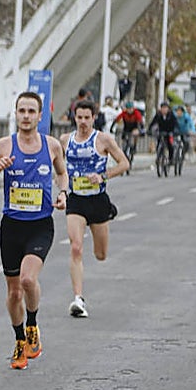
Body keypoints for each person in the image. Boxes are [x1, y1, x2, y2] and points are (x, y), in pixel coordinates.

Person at [0, 92, 68, 369]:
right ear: (16, 114)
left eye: (32, 111)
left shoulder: (51, 145)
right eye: (22, 111)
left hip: (40, 224)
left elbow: (62, 173)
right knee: (14, 293)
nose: (26, 116)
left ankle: (32, 324)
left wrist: (63, 193)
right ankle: (20, 340)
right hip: (12, 226)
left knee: (28, 280)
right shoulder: (4, 145)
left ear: (40, 116)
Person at [60, 100, 129, 318]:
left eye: (86, 118)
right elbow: (59, 169)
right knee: (76, 247)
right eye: (79, 117)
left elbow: (124, 163)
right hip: (76, 201)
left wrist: (103, 176)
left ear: (93, 118)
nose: (82, 122)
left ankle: (109, 212)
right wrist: (62, 190)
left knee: (100, 254)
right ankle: (78, 299)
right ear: (74, 117)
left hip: (98, 200)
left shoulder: (103, 139)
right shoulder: (65, 140)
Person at [147, 101, 178, 165]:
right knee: (159, 144)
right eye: (162, 108)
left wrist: (174, 132)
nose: (164, 110)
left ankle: (171, 159)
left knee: (170, 145)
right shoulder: (158, 114)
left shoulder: (171, 115)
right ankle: (159, 156)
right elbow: (153, 122)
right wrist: (149, 130)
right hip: (161, 131)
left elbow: (175, 124)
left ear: (168, 109)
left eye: (165, 108)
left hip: (169, 131)